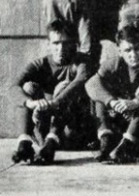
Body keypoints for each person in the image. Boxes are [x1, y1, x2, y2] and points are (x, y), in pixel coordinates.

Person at [84, 25, 139, 164]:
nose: (133, 55)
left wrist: (137, 102)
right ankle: (106, 138)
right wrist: (111, 101)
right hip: (121, 119)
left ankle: (128, 144)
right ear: (119, 51)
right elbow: (91, 84)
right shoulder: (113, 64)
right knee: (100, 94)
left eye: (137, 48)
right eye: (128, 50)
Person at [9, 20, 90, 165]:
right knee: (28, 88)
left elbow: (81, 80)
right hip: (43, 132)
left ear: (74, 44)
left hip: (69, 131)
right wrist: (31, 103)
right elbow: (14, 87)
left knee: (64, 86)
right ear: (48, 44)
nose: (61, 48)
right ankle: (24, 143)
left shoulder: (80, 61)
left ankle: (52, 141)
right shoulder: (41, 64)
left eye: (66, 43)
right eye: (56, 43)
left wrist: (55, 102)